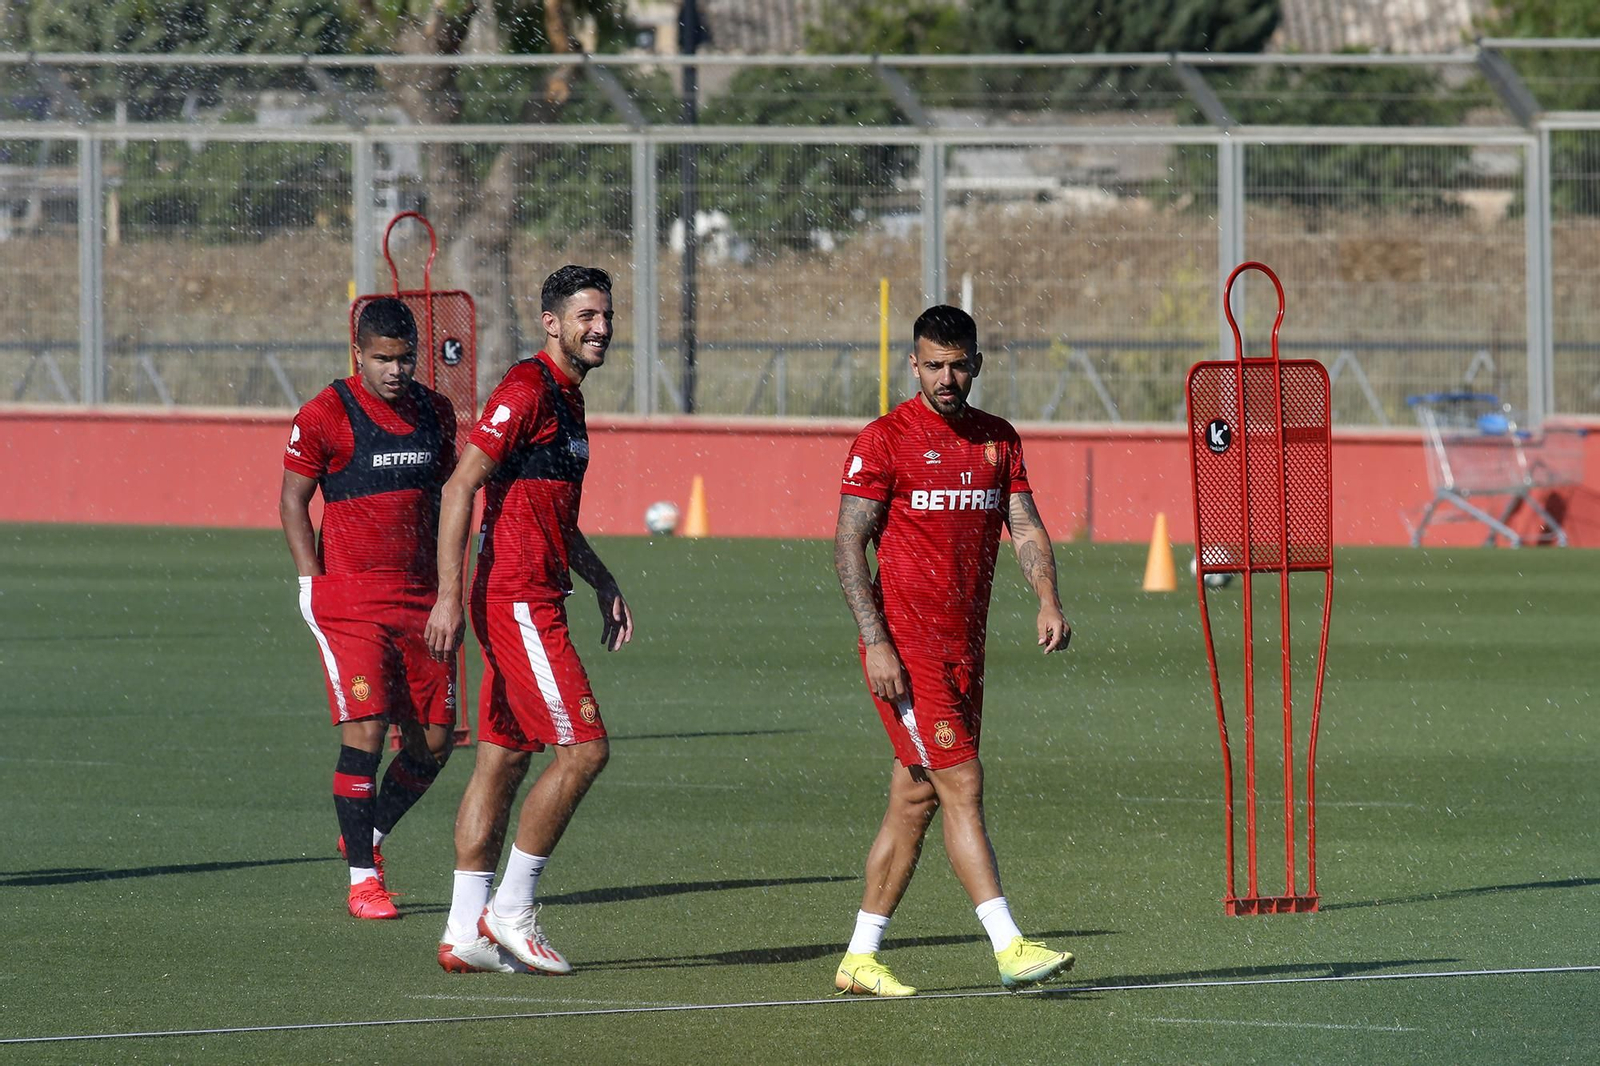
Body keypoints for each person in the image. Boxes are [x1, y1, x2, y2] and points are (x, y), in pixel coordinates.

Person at [831, 304, 1074, 996]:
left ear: (976, 363)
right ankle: (1009, 946)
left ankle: (859, 957)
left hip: (965, 652)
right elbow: (850, 542)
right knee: (962, 781)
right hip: (906, 655)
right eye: (933, 365)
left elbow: (1024, 525)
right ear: (913, 364)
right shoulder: (884, 440)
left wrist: (1047, 597)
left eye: (958, 364)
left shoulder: (997, 440)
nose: (946, 377)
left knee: (916, 798)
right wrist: (876, 641)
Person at [424, 265, 633, 975]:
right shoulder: (526, 388)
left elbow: (550, 513)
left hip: (535, 591)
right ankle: (511, 911)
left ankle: (463, 932)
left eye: (606, 315)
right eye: (586, 316)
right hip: (515, 600)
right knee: (585, 749)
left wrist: (600, 577)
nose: (600, 327)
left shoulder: (568, 402)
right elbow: (460, 487)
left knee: (505, 758)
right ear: (551, 322)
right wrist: (450, 596)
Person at [280, 297, 459, 921]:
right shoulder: (326, 414)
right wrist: (311, 581)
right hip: (351, 600)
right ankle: (362, 880)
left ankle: (368, 834)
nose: (396, 370)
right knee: (368, 730)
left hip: (423, 599)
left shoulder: (436, 413)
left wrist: (452, 584)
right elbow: (293, 500)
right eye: (383, 358)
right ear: (358, 353)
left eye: (406, 358)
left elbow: (449, 499)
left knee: (432, 745)